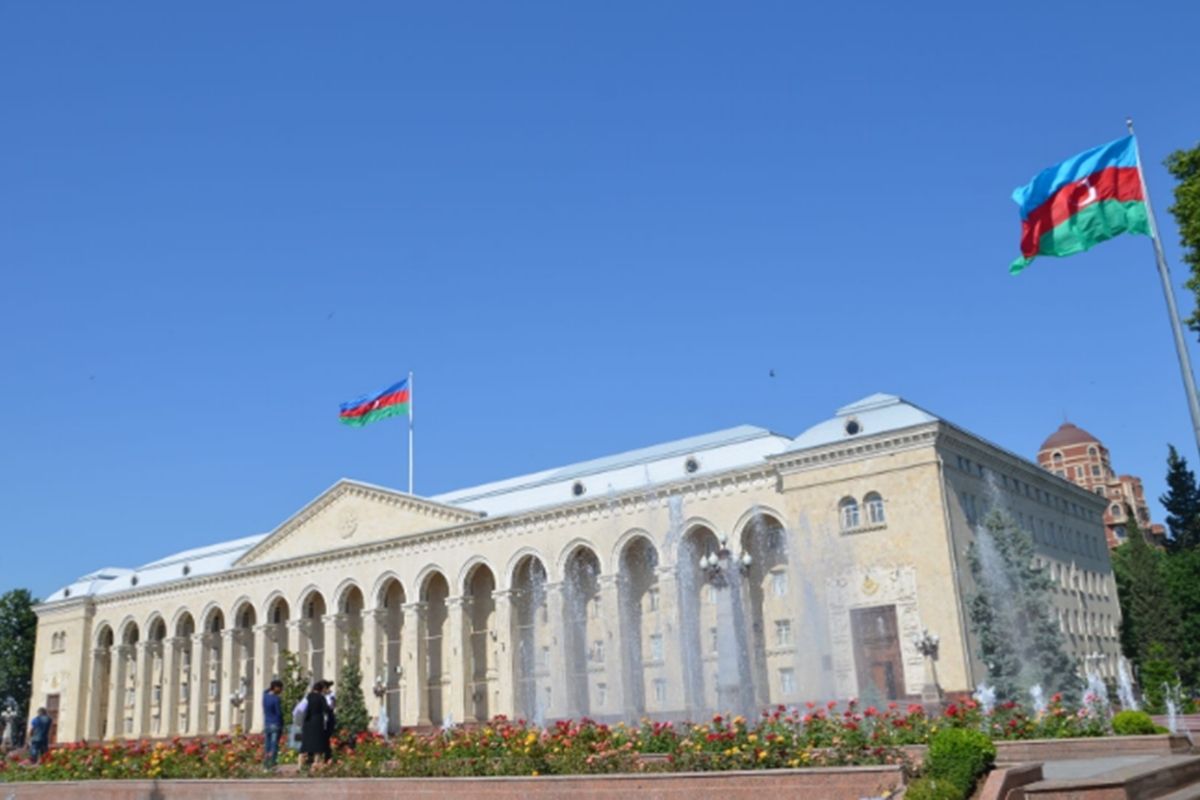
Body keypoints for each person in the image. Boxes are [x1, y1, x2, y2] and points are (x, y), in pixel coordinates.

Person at [299, 681, 334, 767]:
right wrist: (331, 707)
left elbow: (300, 709)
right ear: (321, 689)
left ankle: (300, 765)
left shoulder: (307, 697)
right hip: (317, 722)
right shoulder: (321, 697)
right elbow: (326, 709)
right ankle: (315, 763)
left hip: (308, 721)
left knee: (305, 744)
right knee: (317, 744)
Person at [262, 680, 284, 768]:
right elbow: (279, 713)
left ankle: (266, 763)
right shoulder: (276, 699)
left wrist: (271, 687)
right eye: (280, 688)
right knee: (274, 744)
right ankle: (272, 762)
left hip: (267, 723)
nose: (281, 690)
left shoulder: (265, 696)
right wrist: (282, 724)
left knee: (267, 745)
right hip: (276, 723)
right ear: (276, 688)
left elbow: (266, 691)